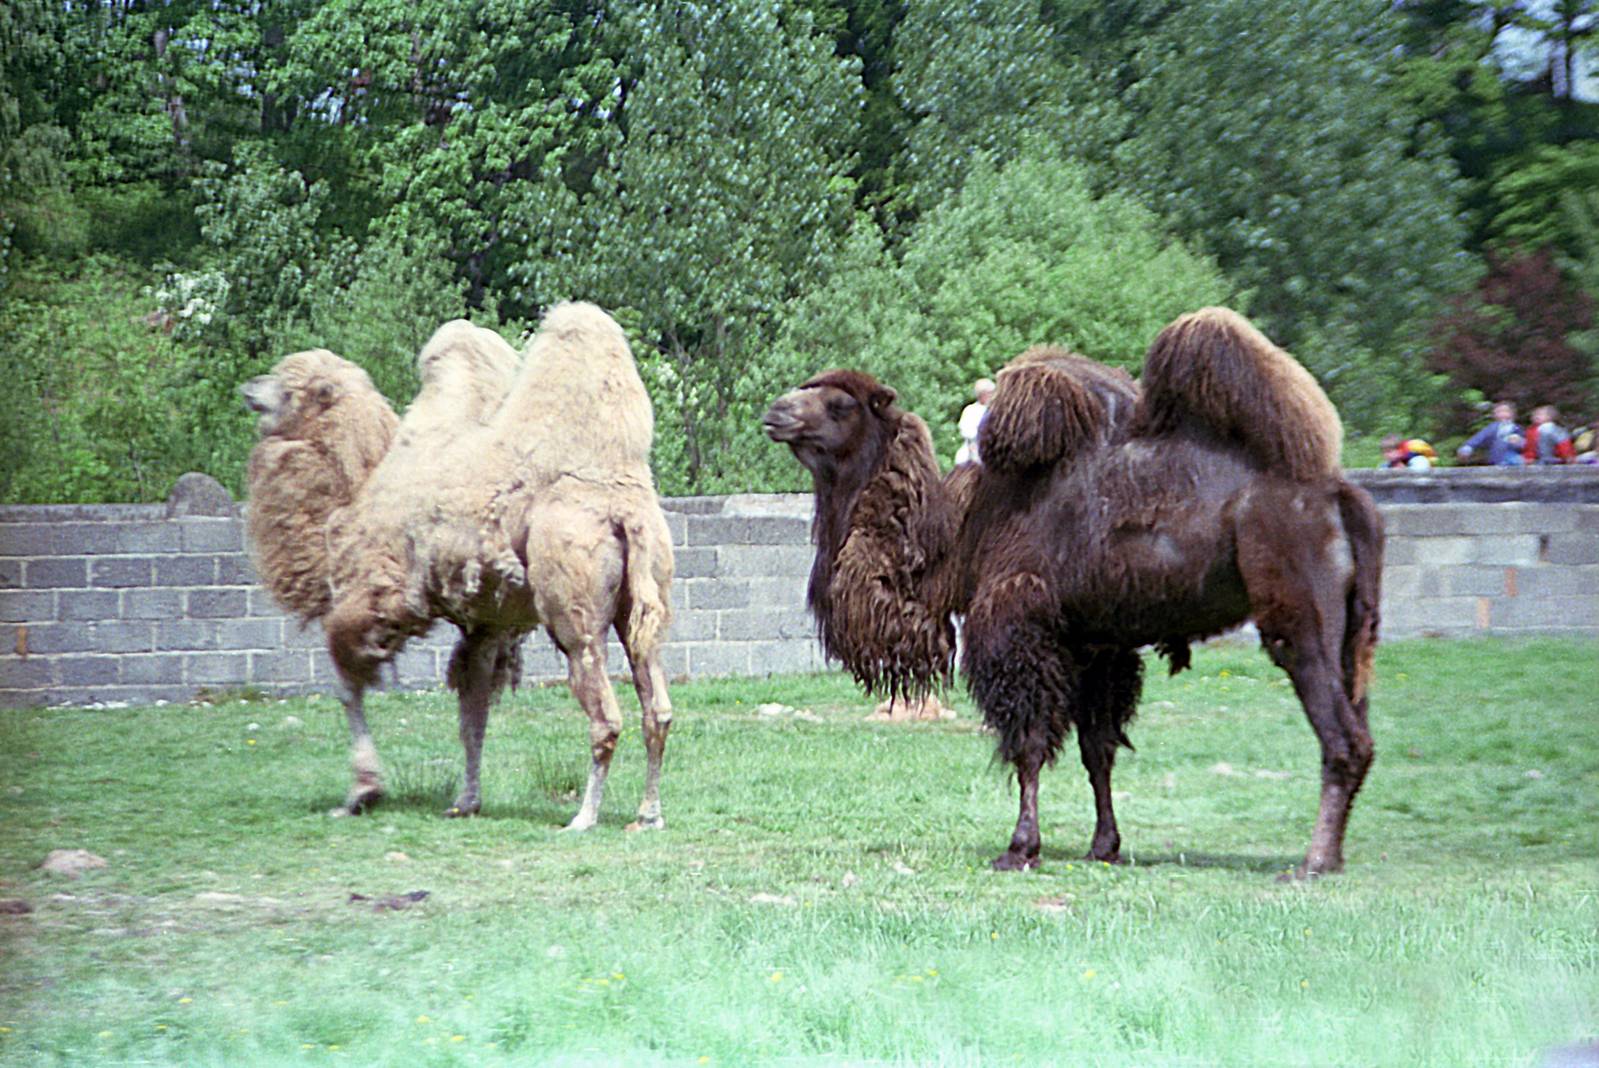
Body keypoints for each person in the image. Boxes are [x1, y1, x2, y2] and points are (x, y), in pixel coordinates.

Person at [1456, 401, 1525, 466]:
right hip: (1497, 456)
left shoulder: (1517, 428)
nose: (1502, 414)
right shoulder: (1492, 427)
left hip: (1512, 454)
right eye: (1499, 412)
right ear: (1495, 414)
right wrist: (1468, 447)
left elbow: (1524, 443)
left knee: (1518, 461)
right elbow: (1480, 437)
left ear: (1512, 413)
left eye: (1506, 411)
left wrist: (1518, 441)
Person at [955, 377, 995, 465]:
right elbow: (966, 431)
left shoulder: (996, 410)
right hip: (974, 449)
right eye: (990, 393)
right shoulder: (970, 410)